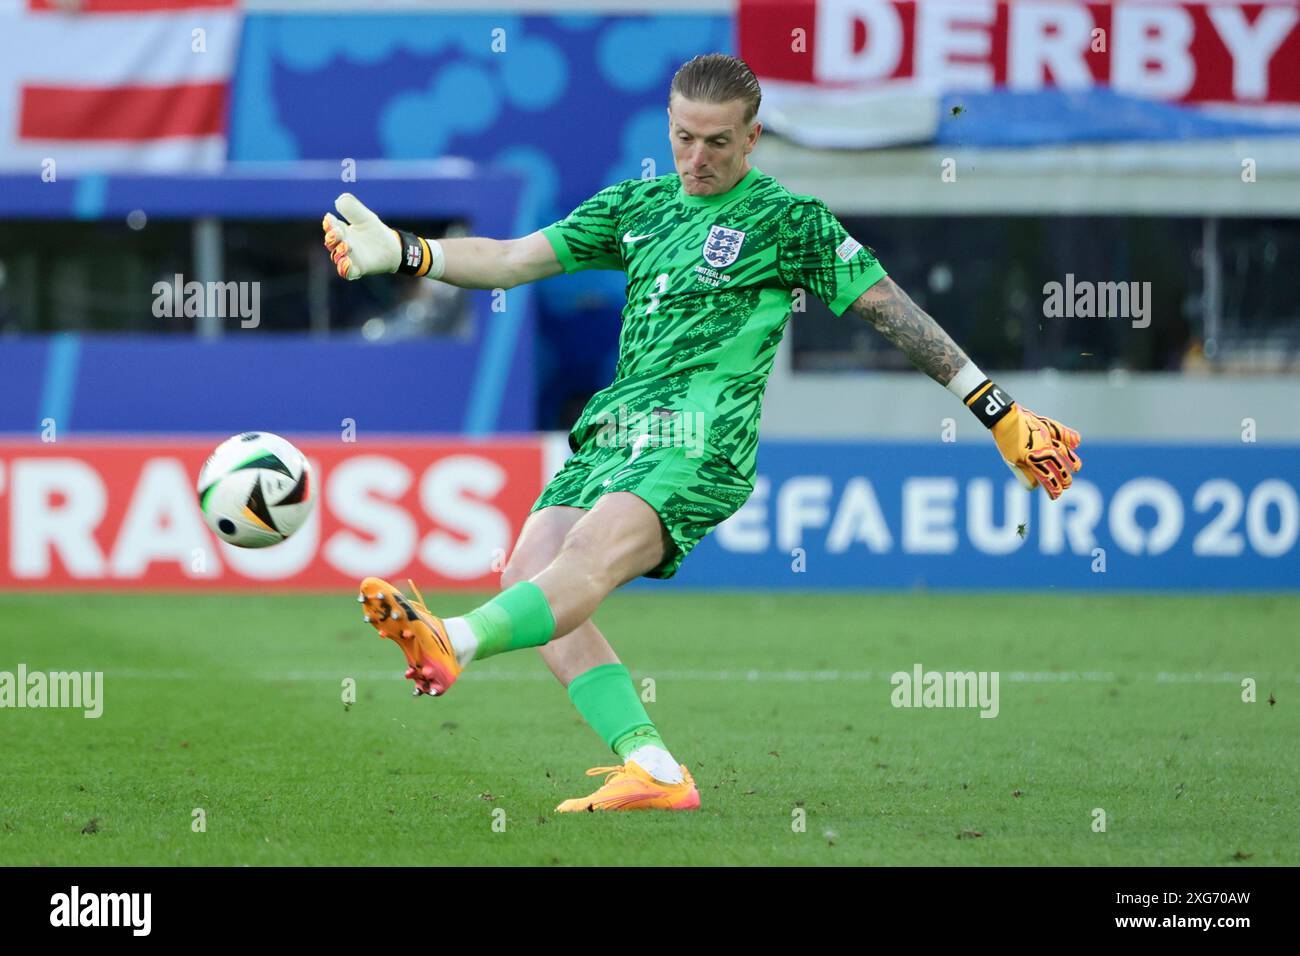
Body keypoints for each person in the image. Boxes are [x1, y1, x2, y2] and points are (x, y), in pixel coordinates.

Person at [321, 53, 1082, 813]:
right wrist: (412, 253)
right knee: (530, 572)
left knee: (587, 557)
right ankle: (652, 766)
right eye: (685, 138)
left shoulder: (788, 221)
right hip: (617, 431)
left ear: (752, 139)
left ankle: (453, 639)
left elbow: (890, 310)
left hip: (700, 438)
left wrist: (997, 411)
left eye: (718, 142)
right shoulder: (637, 207)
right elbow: (514, 259)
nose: (698, 158)